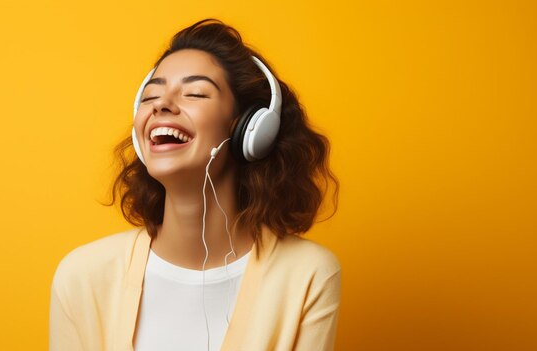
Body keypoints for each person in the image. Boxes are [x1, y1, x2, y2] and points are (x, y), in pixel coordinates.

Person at [49, 18, 341, 351]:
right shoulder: (83, 276)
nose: (161, 104)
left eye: (195, 93)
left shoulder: (308, 275)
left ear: (252, 130)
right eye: (151, 96)